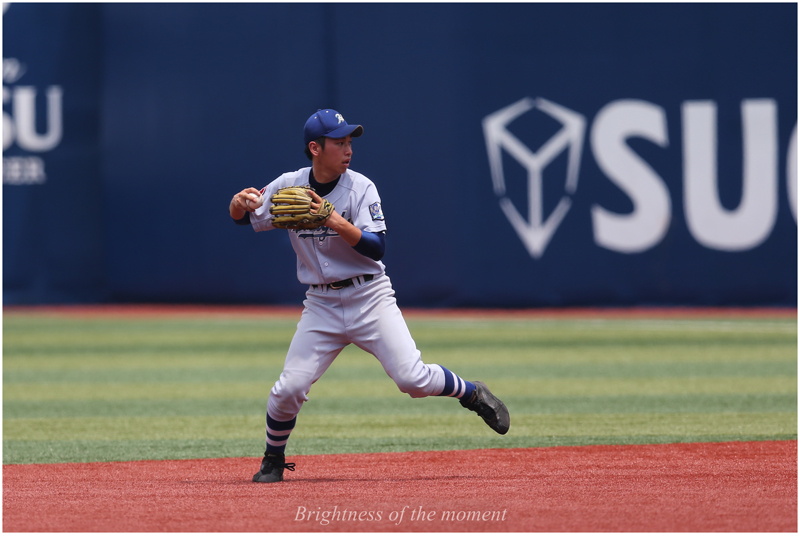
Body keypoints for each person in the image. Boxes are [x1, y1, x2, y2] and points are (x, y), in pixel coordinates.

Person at [229, 109, 510, 483]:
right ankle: (273, 459)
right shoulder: (288, 185)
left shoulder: (361, 187)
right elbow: (245, 217)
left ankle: (472, 393)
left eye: (349, 142)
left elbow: (377, 248)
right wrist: (238, 204)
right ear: (315, 148)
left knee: (413, 380)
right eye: (339, 143)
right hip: (321, 305)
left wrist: (334, 220)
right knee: (289, 387)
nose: (348, 150)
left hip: (370, 297)